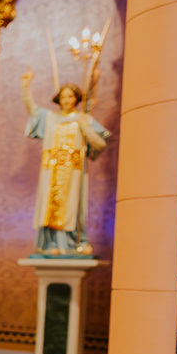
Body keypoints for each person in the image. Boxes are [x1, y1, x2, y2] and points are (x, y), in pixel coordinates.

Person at [21, 67, 110, 256]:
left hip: (73, 170)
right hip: (51, 170)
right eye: (63, 97)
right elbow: (32, 109)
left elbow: (100, 144)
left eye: (70, 96)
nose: (66, 100)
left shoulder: (83, 119)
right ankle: (51, 243)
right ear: (58, 99)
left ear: (76, 98)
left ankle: (76, 243)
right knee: (49, 205)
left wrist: (85, 128)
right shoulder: (50, 118)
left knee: (73, 207)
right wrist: (26, 85)